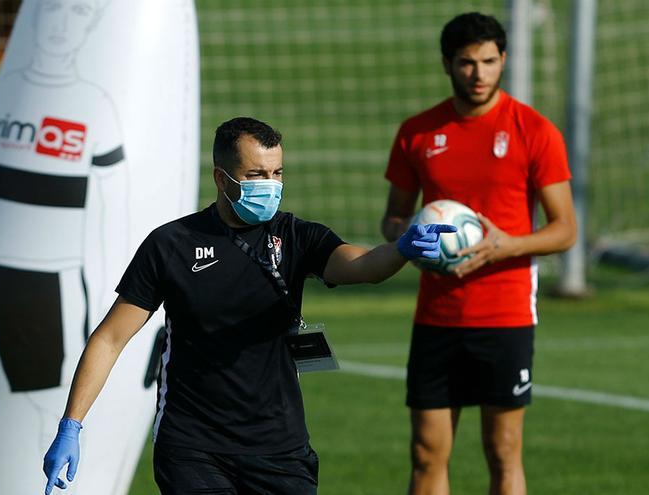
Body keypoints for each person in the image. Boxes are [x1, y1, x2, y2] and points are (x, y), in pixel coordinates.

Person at [42, 116, 456, 494]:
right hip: (192, 446)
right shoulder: (171, 245)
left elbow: (363, 265)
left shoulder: (296, 236)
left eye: (277, 173)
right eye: (256, 174)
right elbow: (110, 339)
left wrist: (400, 250)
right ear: (221, 178)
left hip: (280, 448)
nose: (270, 185)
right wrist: (71, 425)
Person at [380, 13, 577, 495]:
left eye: (489, 61)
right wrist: (409, 237)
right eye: (467, 63)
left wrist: (507, 245)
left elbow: (565, 230)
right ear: (447, 64)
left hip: (505, 314)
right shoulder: (416, 133)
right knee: (426, 453)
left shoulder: (535, 131)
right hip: (436, 315)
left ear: (503, 59)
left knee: (503, 451)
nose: (479, 74)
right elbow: (393, 218)